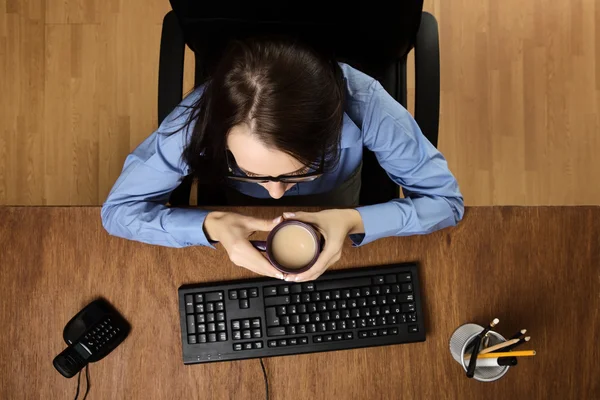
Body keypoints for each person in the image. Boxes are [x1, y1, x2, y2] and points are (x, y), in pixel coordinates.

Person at [101, 37, 464, 282]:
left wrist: (354, 219)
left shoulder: (367, 106)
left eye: (300, 172)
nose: (277, 195)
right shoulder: (195, 119)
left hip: (337, 199)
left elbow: (447, 203)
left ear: (332, 131)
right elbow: (118, 212)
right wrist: (212, 226)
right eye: (253, 172)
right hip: (237, 205)